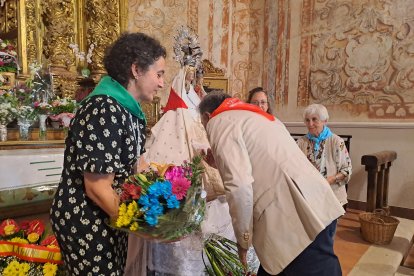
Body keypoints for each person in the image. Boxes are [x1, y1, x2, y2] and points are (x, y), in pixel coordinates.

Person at [50, 32, 166, 275]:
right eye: (159, 74)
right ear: (136, 70)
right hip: (86, 220)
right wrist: (141, 227)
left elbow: (138, 164)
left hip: (108, 216)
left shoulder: (127, 109)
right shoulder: (105, 108)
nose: (161, 83)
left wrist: (167, 196)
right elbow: (96, 188)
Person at [199, 91, 345, 276]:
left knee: (315, 267)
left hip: (292, 216)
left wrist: (243, 241)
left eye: (204, 125)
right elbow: (263, 164)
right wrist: (219, 163)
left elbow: (239, 185)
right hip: (317, 201)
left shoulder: (218, 120)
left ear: (206, 116)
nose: (206, 129)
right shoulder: (260, 116)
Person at [296, 103, 352, 207]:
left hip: (331, 195)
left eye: (314, 119)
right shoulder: (301, 142)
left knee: (329, 223)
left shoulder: (336, 142)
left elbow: (347, 170)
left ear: (324, 121)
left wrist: (331, 180)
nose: (310, 124)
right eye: (307, 120)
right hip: (308, 195)